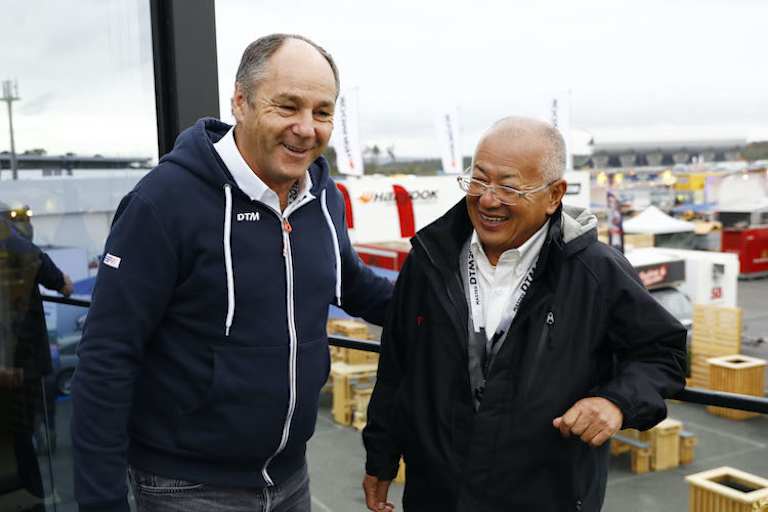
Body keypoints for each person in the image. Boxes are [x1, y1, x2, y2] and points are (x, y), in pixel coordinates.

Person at [71, 34, 393, 512]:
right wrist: (101, 502)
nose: (306, 129)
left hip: (291, 479)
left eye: (322, 112)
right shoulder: (164, 202)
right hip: (188, 488)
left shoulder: (324, 197)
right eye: (288, 106)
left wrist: (456, 302)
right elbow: (106, 357)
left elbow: (353, 284)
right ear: (240, 102)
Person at [362, 117, 687, 511]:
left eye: (509, 187)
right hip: (437, 495)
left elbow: (664, 353)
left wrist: (616, 402)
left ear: (554, 195)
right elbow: (397, 368)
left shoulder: (595, 272)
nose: (487, 200)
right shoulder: (430, 261)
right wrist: (380, 456)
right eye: (479, 180)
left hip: (544, 498)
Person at [0, 204, 72, 507]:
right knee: (23, 438)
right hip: (20, 366)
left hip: (11, 364)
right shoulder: (17, 246)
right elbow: (63, 284)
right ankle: (34, 499)